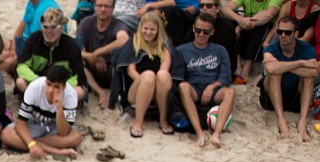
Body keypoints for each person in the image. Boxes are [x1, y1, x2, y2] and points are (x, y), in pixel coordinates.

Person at [174, 13, 237, 147]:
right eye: (198, 30)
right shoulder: (181, 50)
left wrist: (212, 86)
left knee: (230, 92)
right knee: (183, 87)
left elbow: (226, 76)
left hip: (214, 89)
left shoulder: (220, 50)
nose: (201, 34)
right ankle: (199, 133)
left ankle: (216, 135)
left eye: (206, 32)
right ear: (193, 28)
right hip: (193, 89)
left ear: (212, 32)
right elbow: (178, 77)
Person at [1, 64, 84, 158]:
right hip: (33, 124)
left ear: (63, 87)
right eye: (48, 84)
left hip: (53, 128)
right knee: (6, 134)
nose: (50, 90)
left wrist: (59, 108)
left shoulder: (71, 95)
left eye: (56, 87)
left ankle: (23, 144)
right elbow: (20, 123)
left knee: (76, 138)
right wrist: (32, 144)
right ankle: (56, 151)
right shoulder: (34, 88)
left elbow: (64, 132)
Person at [113, 9, 175, 135]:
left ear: (158, 31)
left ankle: (163, 120)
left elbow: (164, 71)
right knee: (149, 75)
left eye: (152, 29)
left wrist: (153, 87)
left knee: (163, 75)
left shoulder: (164, 49)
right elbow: (131, 70)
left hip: (157, 93)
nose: (148, 32)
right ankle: (138, 122)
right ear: (140, 28)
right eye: (145, 28)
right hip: (135, 90)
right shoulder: (134, 43)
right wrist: (147, 84)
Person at [259, 17, 318, 140]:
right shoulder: (271, 48)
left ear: (296, 34)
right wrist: (301, 63)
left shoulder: (307, 49)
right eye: (280, 32)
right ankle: (281, 120)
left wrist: (280, 66)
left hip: (296, 99)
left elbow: (313, 71)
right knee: (275, 74)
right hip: (271, 99)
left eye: (287, 32)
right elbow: (270, 69)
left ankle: (302, 121)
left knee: (308, 77)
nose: (283, 35)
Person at [16, 7, 89, 101]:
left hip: (61, 87)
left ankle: (57, 105)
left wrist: (58, 87)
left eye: (53, 27)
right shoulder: (33, 39)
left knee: (79, 92)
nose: (49, 31)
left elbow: (78, 76)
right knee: (20, 82)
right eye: (45, 27)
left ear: (62, 27)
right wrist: (41, 82)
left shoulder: (71, 45)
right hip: (38, 84)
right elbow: (21, 66)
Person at [77, 0, 131, 109]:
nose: (103, 9)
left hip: (111, 70)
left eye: (106, 6)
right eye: (100, 6)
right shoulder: (86, 23)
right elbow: (77, 49)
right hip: (91, 69)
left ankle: (111, 95)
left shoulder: (117, 24)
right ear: (94, 6)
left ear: (113, 8)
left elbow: (124, 39)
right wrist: (92, 57)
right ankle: (100, 92)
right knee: (78, 61)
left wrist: (98, 53)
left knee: (121, 61)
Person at [221, 0, 285, 82]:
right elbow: (225, 9)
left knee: (263, 26)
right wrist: (240, 20)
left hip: (263, 37)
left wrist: (241, 26)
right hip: (246, 31)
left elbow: (268, 15)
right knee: (230, 22)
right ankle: (237, 64)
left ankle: (246, 69)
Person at [0, 0, 64, 74]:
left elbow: (34, 42)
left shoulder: (43, 9)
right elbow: (21, 28)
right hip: (26, 42)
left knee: (10, 61)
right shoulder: (32, 3)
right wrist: (12, 50)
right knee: (2, 44)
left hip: (42, 50)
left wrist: (14, 53)